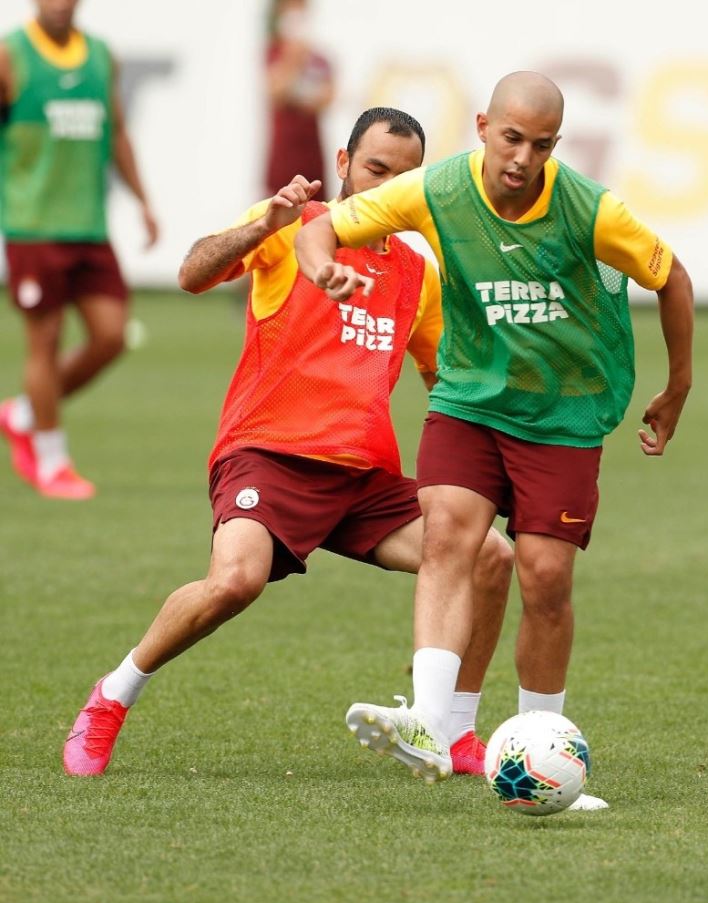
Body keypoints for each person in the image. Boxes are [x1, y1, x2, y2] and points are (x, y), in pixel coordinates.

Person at [62, 107, 513, 781]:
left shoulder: (417, 274)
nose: (386, 186)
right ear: (343, 163)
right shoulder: (293, 227)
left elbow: (444, 379)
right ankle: (112, 695)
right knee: (234, 582)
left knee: (492, 556)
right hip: (267, 455)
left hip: (363, 480)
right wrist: (262, 225)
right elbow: (191, 274)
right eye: (375, 169)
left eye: (402, 178)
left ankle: (454, 731)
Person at [295, 71, 694, 810]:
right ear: (483, 127)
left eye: (541, 145)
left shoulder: (590, 208)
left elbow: (672, 277)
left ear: (556, 144)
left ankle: (550, 752)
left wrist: (679, 387)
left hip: (565, 411)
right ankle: (429, 720)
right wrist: (321, 267)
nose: (522, 158)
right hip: (470, 398)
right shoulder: (438, 189)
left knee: (545, 577)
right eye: (511, 138)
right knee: (449, 535)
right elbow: (324, 223)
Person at [0, 0, 158, 500]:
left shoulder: (100, 55)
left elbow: (118, 133)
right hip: (32, 225)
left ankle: (23, 414)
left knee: (111, 335)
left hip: (89, 224)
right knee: (44, 341)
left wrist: (143, 200)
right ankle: (52, 462)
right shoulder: (11, 56)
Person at [264, 0, 334, 199]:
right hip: (284, 152)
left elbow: (327, 98)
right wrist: (294, 57)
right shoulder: (274, 53)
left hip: (312, 151)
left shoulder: (320, 58)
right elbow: (275, 91)